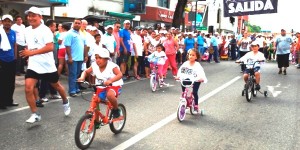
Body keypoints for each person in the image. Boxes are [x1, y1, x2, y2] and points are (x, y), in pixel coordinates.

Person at [19, 6, 70, 123]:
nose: (31, 18)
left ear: (40, 17)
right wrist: (28, 53)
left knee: (56, 86)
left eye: (33, 15)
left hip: (47, 65)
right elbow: (29, 45)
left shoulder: (45, 30)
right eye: (29, 15)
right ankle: (35, 113)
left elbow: (50, 47)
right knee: (28, 88)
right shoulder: (27, 30)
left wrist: (31, 52)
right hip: (33, 65)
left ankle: (65, 101)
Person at [77, 48, 123, 118]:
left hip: (114, 84)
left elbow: (120, 74)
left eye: (100, 58)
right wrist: (82, 77)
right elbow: (86, 72)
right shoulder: (94, 65)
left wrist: (110, 81)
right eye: (96, 58)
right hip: (101, 86)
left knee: (110, 95)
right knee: (96, 99)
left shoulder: (112, 66)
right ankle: (96, 119)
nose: (98, 60)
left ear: (107, 59)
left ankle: (116, 109)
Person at [175, 49, 207, 113]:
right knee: (184, 90)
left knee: (194, 92)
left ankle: (196, 105)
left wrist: (201, 78)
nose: (191, 56)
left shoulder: (197, 65)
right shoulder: (185, 63)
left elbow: (201, 72)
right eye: (190, 55)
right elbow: (181, 71)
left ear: (196, 57)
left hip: (196, 79)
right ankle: (184, 99)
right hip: (187, 79)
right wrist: (178, 76)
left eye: (193, 55)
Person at [64, 18, 88, 97]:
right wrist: (70, 57)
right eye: (76, 23)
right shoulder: (69, 33)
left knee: (78, 74)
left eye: (79, 23)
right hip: (73, 58)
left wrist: (85, 55)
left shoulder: (82, 34)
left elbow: (85, 46)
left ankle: (77, 88)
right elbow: (67, 46)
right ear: (73, 24)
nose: (77, 24)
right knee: (73, 74)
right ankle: (72, 90)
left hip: (80, 58)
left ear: (81, 25)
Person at [0, 14, 18, 109]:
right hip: (1, 60)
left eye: (9, 21)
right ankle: (1, 102)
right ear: (2, 22)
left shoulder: (13, 32)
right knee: (2, 82)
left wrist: (15, 56)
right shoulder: (0, 32)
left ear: (11, 23)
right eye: (5, 21)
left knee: (11, 82)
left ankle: (9, 100)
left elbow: (15, 45)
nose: (7, 23)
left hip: (11, 60)